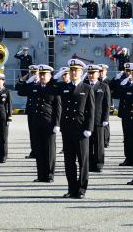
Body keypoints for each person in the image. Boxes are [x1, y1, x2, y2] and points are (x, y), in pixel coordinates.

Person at [54, 59, 94, 199]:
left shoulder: (87, 88)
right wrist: (58, 74)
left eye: (76, 70)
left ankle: (82, 189)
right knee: (69, 161)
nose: (73, 73)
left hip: (81, 129)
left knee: (83, 161)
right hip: (67, 129)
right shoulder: (64, 87)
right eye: (71, 70)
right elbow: (49, 87)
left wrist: (89, 128)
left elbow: (91, 110)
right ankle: (72, 188)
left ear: (81, 72)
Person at [25, 65, 61, 182]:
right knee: (39, 150)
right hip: (37, 123)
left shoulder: (54, 88)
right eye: (40, 74)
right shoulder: (34, 87)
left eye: (44, 74)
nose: (42, 76)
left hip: (49, 123)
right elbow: (20, 89)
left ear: (50, 76)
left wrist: (57, 124)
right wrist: (30, 78)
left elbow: (57, 108)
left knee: (49, 150)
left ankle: (50, 175)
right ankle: (41, 175)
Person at [84, 64, 111, 173]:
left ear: (98, 74)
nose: (91, 75)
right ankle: (89, 164)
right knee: (88, 143)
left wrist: (106, 118)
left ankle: (99, 164)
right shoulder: (84, 85)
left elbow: (107, 104)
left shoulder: (103, 86)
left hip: (99, 119)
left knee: (99, 143)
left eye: (93, 73)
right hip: (86, 119)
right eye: (89, 73)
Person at [16, 65, 40, 159]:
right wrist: (24, 79)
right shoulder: (29, 84)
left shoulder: (43, 84)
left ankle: (41, 151)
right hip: (31, 112)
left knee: (41, 133)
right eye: (32, 73)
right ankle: (34, 152)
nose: (34, 74)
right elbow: (19, 90)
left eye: (35, 72)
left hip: (42, 112)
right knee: (33, 133)